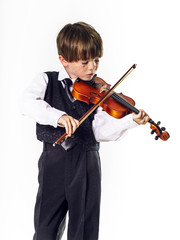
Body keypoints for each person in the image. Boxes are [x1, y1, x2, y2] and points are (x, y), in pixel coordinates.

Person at [20, 22, 149, 240]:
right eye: (85, 62)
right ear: (64, 60)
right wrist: (58, 117)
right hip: (54, 160)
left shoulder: (97, 91)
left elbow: (100, 130)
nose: (93, 68)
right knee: (45, 227)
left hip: (87, 161)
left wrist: (130, 122)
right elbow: (27, 103)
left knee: (84, 228)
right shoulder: (46, 80)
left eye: (96, 60)